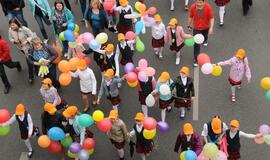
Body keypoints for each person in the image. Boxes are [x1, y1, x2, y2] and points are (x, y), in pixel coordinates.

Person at [187, 0, 214, 67]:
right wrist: (189, 25)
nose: (198, 4)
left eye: (200, 3)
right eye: (197, 2)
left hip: (206, 27)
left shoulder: (208, 7)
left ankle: (205, 40)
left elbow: (212, 18)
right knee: (196, 44)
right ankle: (196, 59)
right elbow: (190, 16)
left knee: (205, 36)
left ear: (204, 2)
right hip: (197, 28)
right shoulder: (193, 7)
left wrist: (211, 28)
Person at [8, 18, 35, 84]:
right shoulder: (10, 30)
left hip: (29, 47)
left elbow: (32, 35)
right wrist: (14, 41)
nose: (12, 27)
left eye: (13, 25)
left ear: (17, 24)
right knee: (31, 58)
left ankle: (31, 76)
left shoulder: (24, 29)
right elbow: (10, 38)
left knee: (29, 61)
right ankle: (35, 64)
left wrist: (26, 41)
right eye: (11, 25)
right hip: (21, 48)